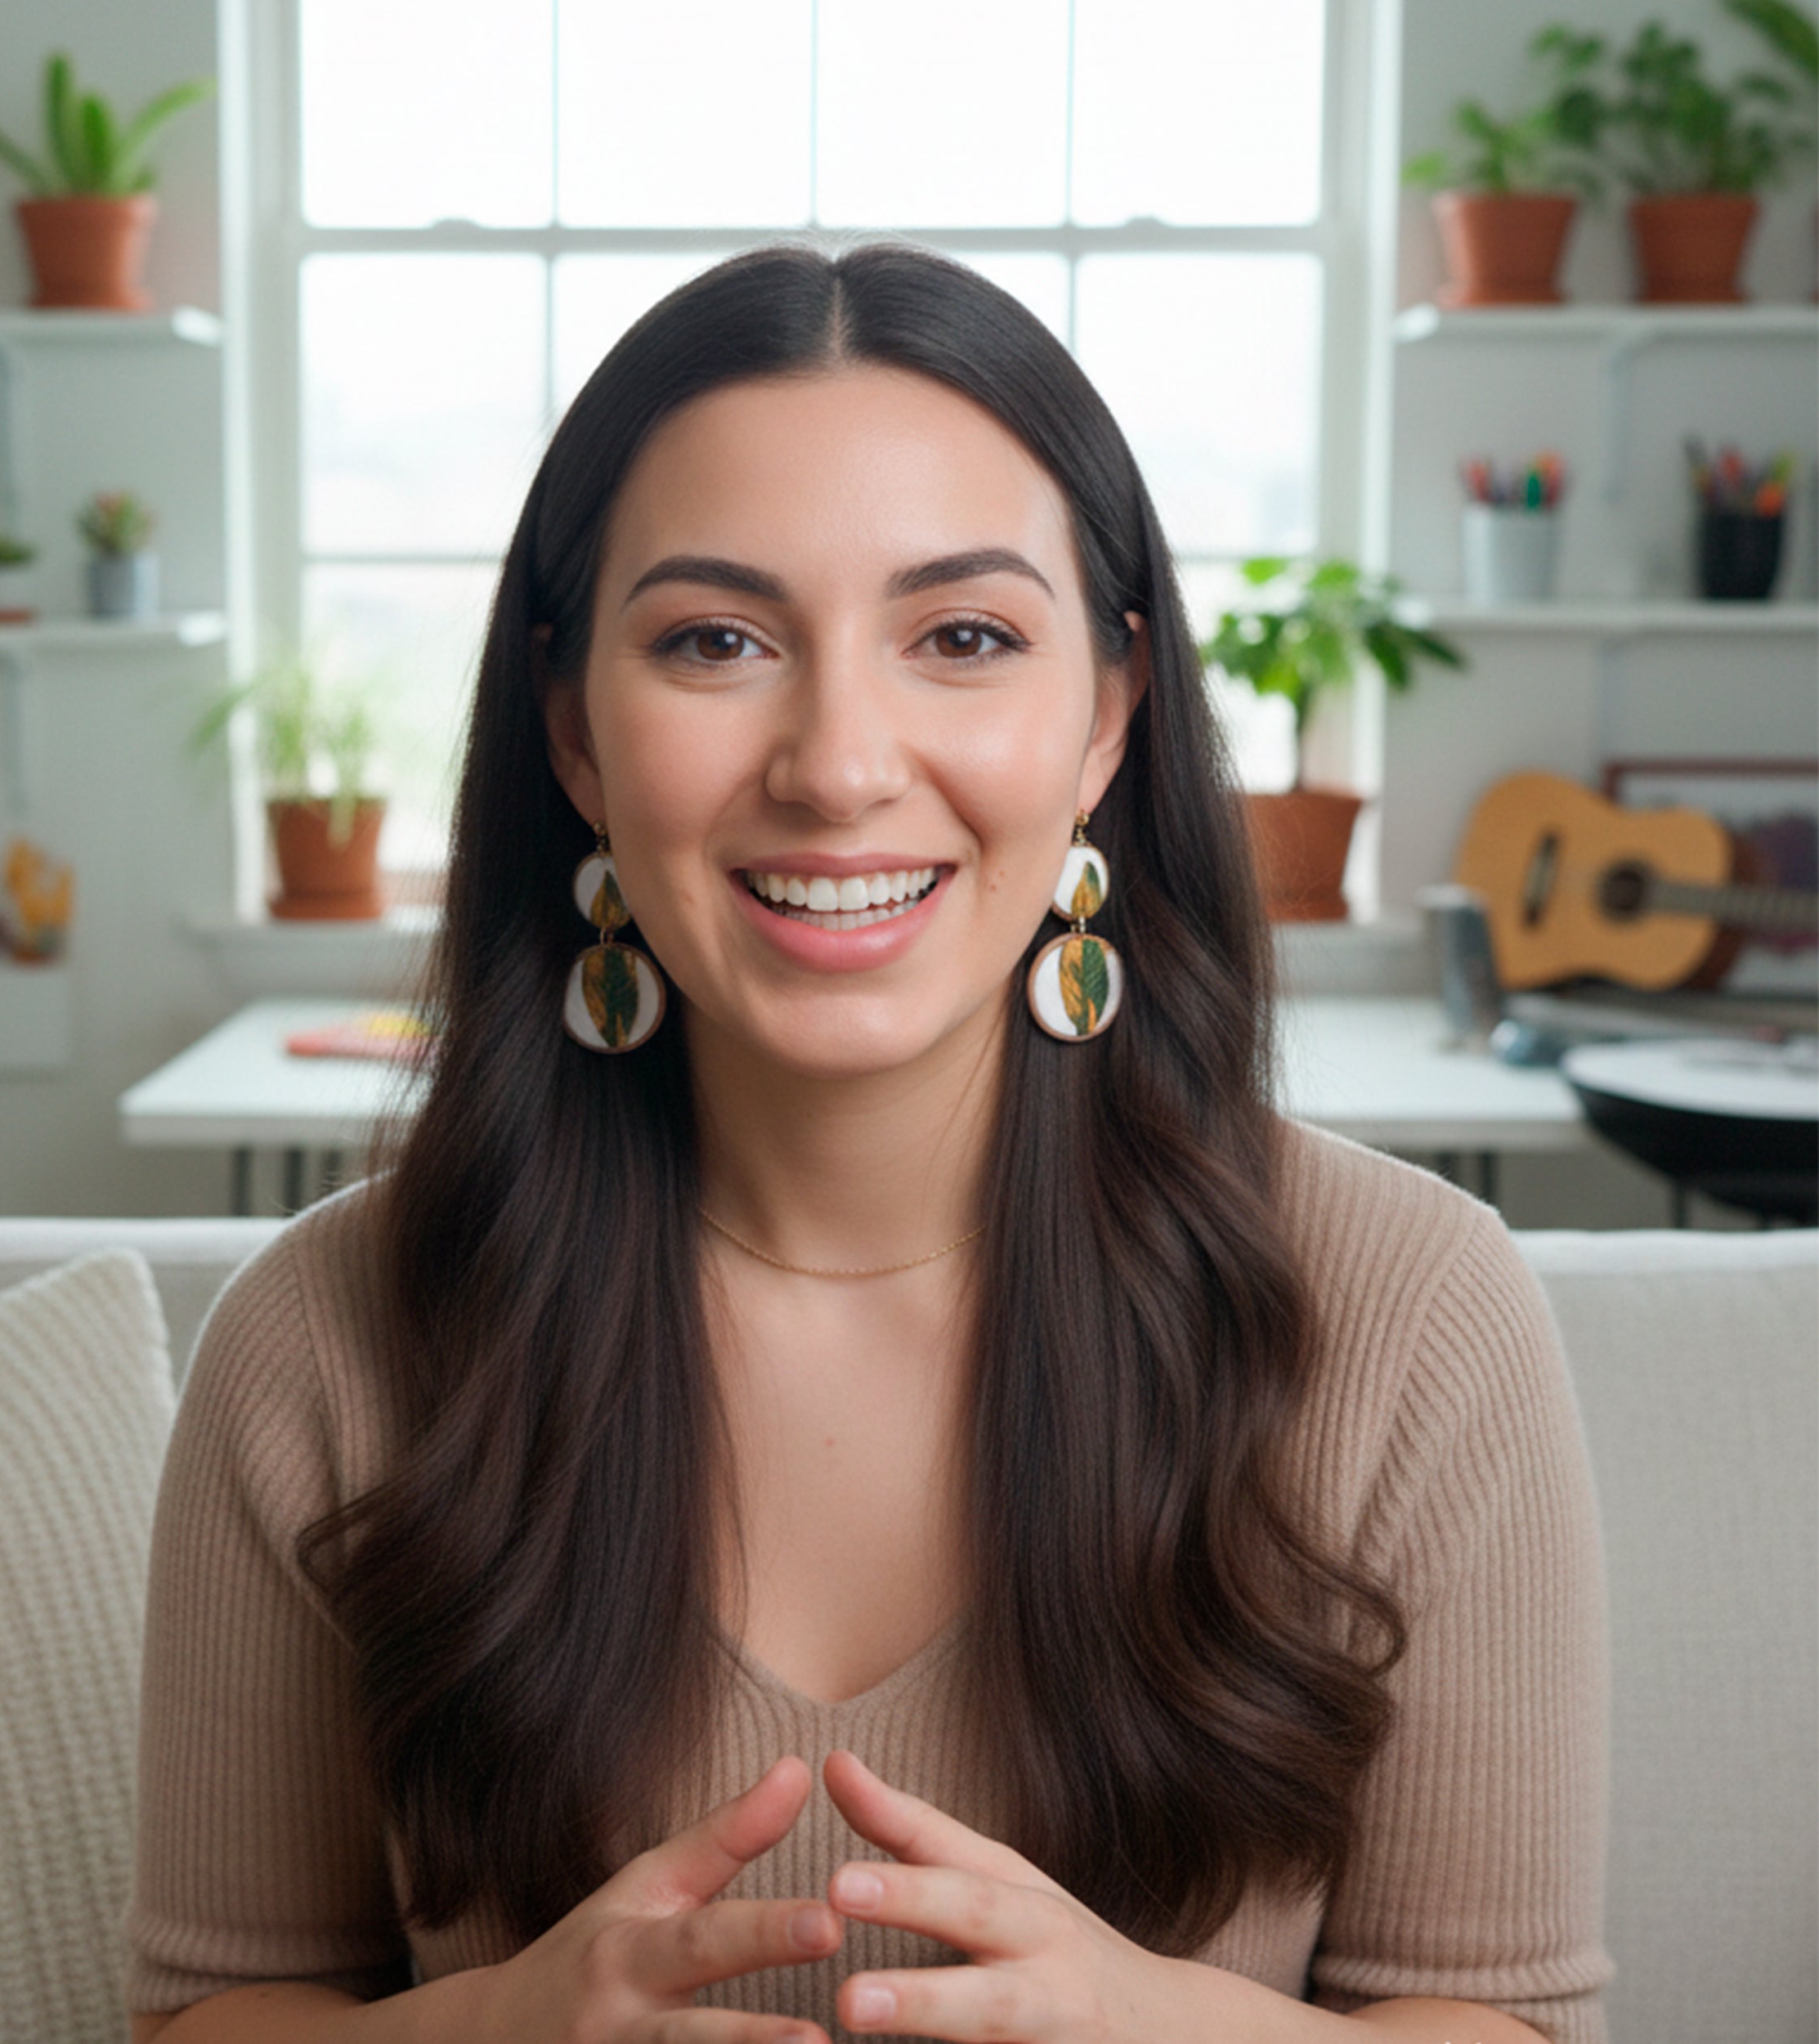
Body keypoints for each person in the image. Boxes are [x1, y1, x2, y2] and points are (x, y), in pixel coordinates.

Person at [125, 242, 1612, 2044]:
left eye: (963, 636)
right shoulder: (322, 1337)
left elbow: (1504, 2020)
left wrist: (1162, 2026)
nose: (836, 762)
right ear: (573, 734)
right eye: (713, 640)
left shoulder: (1416, 1318)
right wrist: (483, 2028)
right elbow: (212, 2005)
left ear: (1108, 712)